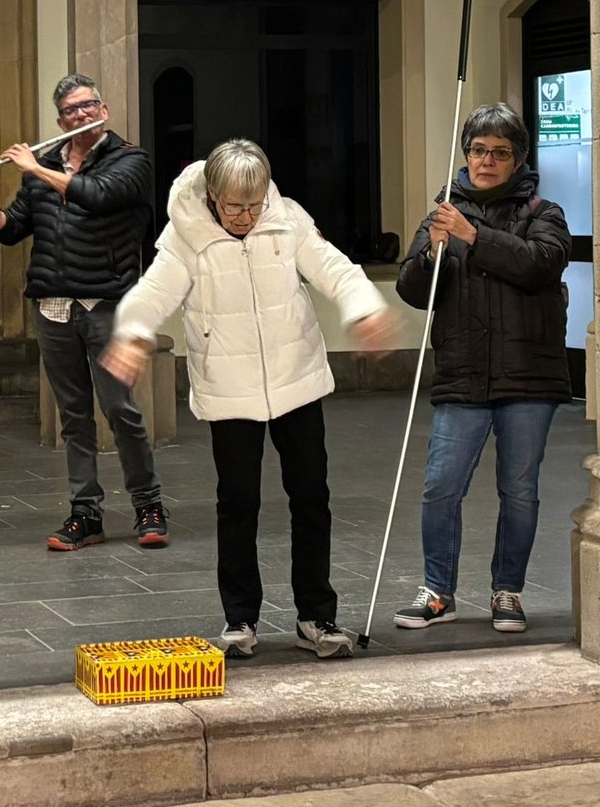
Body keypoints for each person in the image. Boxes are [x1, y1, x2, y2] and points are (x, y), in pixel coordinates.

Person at [101, 140, 396, 660]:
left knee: (311, 497)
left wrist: (364, 308)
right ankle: (240, 618)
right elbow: (153, 292)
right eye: (234, 207)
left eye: (254, 205)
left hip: (297, 378)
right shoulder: (185, 235)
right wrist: (131, 334)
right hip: (229, 388)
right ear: (212, 195)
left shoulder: (286, 219)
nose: (245, 217)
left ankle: (316, 615)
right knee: (238, 504)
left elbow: (336, 269)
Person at [392, 103, 571, 635]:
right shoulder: (442, 214)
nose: (486, 161)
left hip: (527, 376)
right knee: (441, 487)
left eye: (499, 152)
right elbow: (411, 289)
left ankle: (507, 590)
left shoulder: (545, 211)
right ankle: (437, 590)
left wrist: (475, 237)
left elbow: (540, 264)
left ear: (517, 159)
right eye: (477, 150)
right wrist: (432, 257)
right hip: (463, 374)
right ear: (466, 153)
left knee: (519, 490)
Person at [0, 73, 169, 551]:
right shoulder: (44, 165)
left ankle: (148, 505)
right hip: (53, 306)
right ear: (59, 119)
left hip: (106, 304)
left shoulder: (130, 160)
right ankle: (87, 513)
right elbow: (14, 229)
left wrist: (35, 169)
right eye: (70, 111)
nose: (79, 115)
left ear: (103, 110)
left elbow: (96, 196)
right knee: (73, 416)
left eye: (88, 106)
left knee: (121, 411)